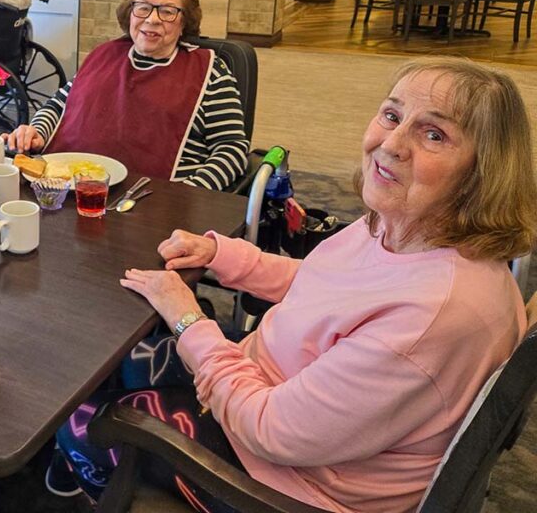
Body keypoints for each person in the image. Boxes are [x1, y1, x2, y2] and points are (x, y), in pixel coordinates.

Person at [51, 57, 535, 513]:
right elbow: (328, 288)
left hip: (291, 481)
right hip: (278, 389)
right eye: (392, 115)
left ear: (482, 173)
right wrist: (223, 255)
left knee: (83, 422)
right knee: (116, 363)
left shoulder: (435, 315)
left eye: (434, 134)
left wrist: (188, 319)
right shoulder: (400, 227)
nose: (391, 144)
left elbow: (270, 429)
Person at [4, 0, 249, 191]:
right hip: (64, 190)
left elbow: (232, 149)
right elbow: (59, 105)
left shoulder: (209, 71)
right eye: (143, 7)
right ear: (130, 13)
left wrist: (189, 193)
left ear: (185, 22)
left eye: (167, 11)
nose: (152, 19)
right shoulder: (103, 54)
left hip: (153, 206)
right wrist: (37, 131)